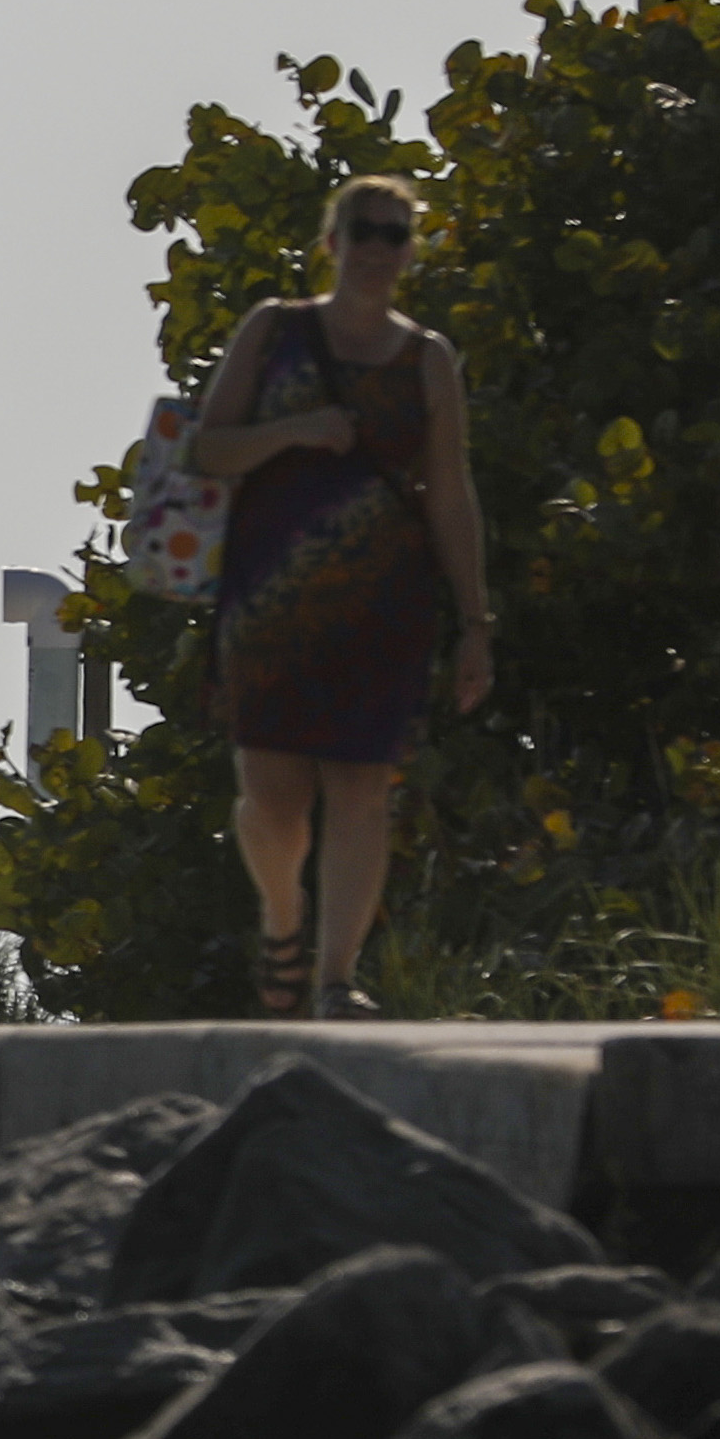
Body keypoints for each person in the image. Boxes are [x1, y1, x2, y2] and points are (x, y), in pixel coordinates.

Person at [180, 173, 492, 1019]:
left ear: (410, 251)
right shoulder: (274, 331)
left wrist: (474, 624)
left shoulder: (428, 360)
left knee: (361, 788)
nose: (379, 248)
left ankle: (333, 979)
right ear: (333, 242)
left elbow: (452, 493)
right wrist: (294, 430)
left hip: (385, 606)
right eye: (366, 230)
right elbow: (207, 448)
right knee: (271, 796)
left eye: (396, 234)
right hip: (271, 602)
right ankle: (283, 915)